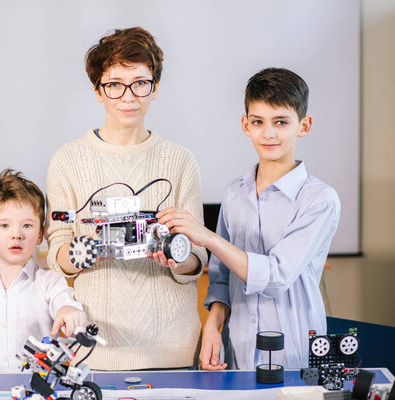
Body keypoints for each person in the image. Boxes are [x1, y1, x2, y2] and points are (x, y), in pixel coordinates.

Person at [45, 27, 208, 370]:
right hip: (95, 350)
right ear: (97, 90)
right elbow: (57, 257)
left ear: (155, 88)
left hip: (172, 349)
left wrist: (177, 258)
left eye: (140, 83)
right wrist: (87, 252)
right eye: (115, 84)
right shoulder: (67, 161)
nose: (128, 96)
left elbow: (198, 258)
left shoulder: (180, 161)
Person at [157, 67, 341, 369]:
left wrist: (208, 238)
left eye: (281, 122)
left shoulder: (320, 199)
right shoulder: (234, 193)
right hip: (238, 350)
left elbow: (276, 276)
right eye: (258, 122)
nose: (268, 133)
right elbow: (221, 278)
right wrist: (213, 326)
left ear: (304, 125)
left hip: (292, 353)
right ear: (246, 125)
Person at [0, 169, 85, 372]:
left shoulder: (51, 282)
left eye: (27, 226)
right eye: (4, 225)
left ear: (41, 234)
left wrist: (68, 309)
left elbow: (65, 303)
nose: (17, 234)